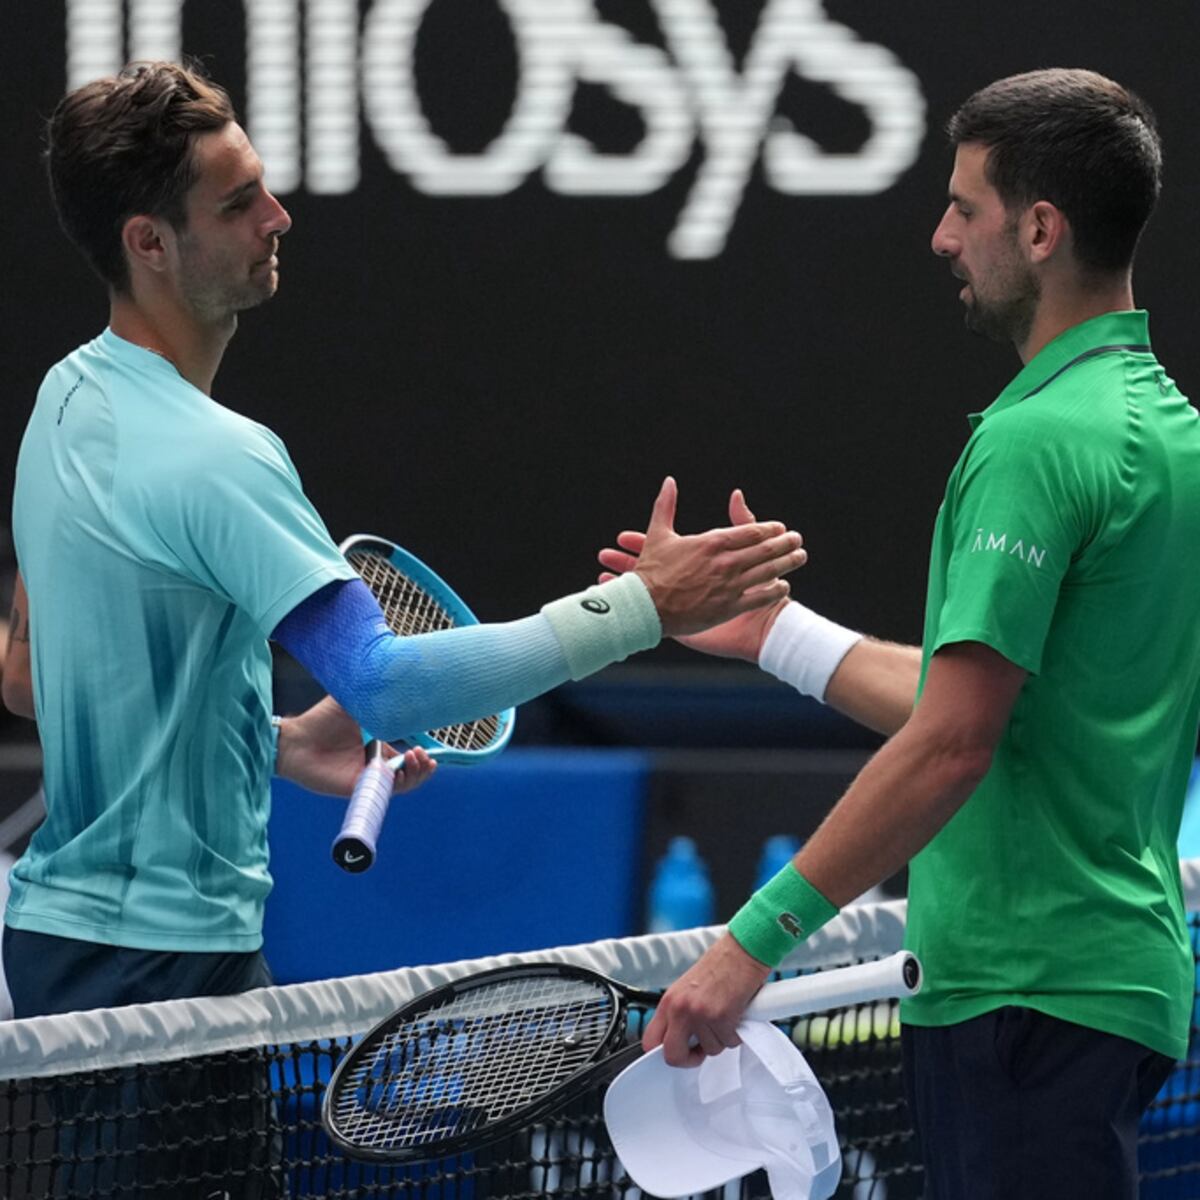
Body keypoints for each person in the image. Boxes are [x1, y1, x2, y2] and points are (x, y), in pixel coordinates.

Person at [4, 60, 806, 1023]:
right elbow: (385, 685)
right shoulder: (217, 457)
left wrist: (278, 742)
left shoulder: (63, 401)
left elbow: (52, 676)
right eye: (237, 202)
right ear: (151, 243)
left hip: (60, 944)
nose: (278, 215)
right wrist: (642, 608)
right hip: (162, 969)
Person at [600, 69, 1200, 1199]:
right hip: (1106, 989)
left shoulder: (1033, 442)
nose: (940, 236)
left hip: (1022, 999)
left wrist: (749, 944)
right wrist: (779, 636)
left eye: (963, 208)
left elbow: (954, 744)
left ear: (1039, 227)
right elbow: (997, 714)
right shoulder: (1169, 431)